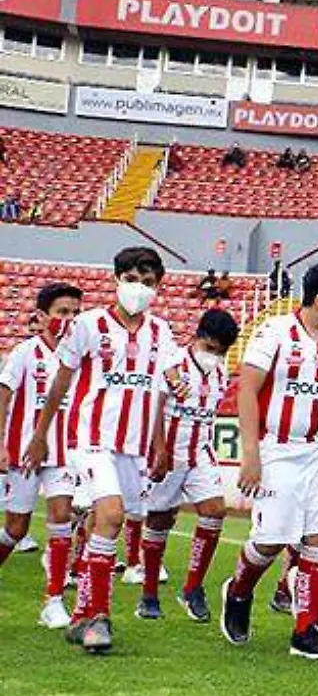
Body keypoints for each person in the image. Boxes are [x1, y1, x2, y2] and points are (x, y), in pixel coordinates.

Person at [22, 248, 176, 655]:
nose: (138, 289)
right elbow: (60, 383)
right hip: (90, 440)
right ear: (115, 280)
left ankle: (80, 618)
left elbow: (169, 380)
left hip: (133, 447)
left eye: (147, 282)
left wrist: (164, 431)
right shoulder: (88, 325)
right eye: (130, 279)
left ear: (158, 286)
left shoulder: (161, 332)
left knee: (104, 527)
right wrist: (40, 435)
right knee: (110, 515)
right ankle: (99, 619)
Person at [219, 264, 318, 660]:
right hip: (278, 450)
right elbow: (247, 390)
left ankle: (307, 629)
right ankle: (239, 590)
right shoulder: (274, 332)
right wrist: (251, 454)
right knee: (269, 542)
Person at [140, 309, 239, 623]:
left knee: (214, 511)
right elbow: (155, 407)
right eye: (211, 349)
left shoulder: (222, 373)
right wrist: (157, 449)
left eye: (221, 351)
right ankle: (149, 593)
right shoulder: (173, 365)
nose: (215, 356)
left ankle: (192, 588)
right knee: (159, 519)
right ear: (197, 338)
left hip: (200, 453)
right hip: (168, 453)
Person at [0, 283, 84, 630]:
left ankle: (52, 601)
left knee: (62, 515)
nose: (69, 319)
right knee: (16, 528)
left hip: (64, 450)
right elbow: (4, 396)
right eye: (62, 312)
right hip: (24, 451)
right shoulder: (25, 352)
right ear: (43, 315)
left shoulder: (81, 356)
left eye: (75, 313)